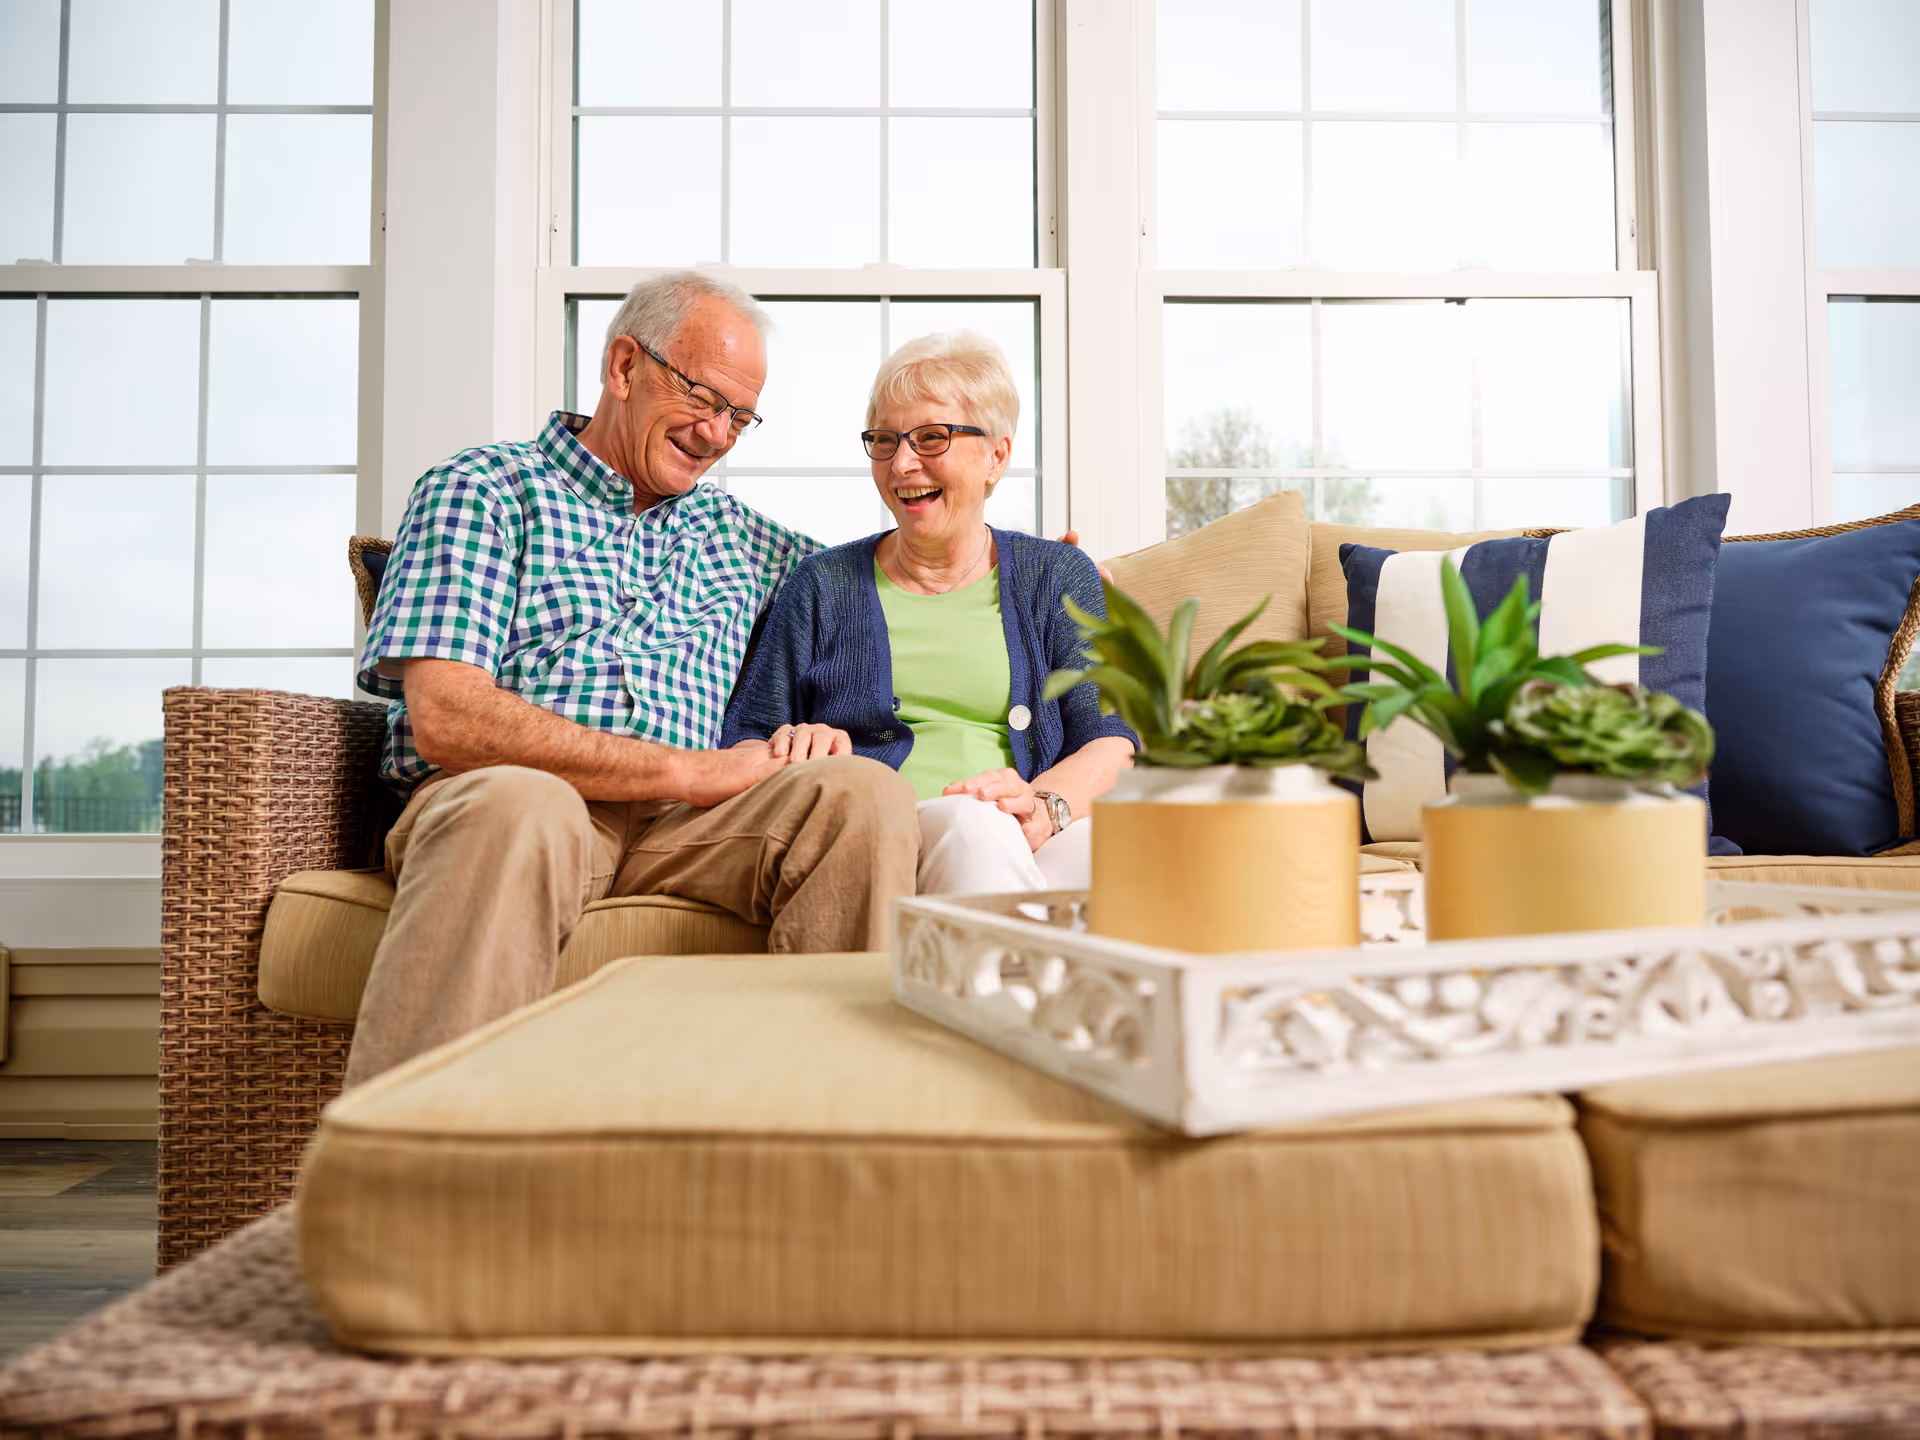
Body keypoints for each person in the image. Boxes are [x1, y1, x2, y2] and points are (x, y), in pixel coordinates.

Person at [346, 271, 920, 1086]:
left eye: (740, 417)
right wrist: (688, 769)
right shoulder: (483, 490)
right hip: (514, 801)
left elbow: (896, 578)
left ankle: (818, 1160)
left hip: (686, 835)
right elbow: (448, 719)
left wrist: (1043, 573)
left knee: (860, 795)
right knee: (524, 802)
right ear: (623, 367)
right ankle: (404, 1184)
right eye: (703, 398)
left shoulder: (744, 539)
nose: (718, 434)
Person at [721, 332, 1136, 896]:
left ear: (996, 455)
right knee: (972, 827)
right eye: (886, 441)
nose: (902, 463)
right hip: (895, 834)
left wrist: (1042, 806)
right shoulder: (821, 586)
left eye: (932, 438)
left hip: (1029, 827)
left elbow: (1110, 740)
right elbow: (746, 736)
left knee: (1114, 857)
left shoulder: (1056, 576)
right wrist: (796, 743)